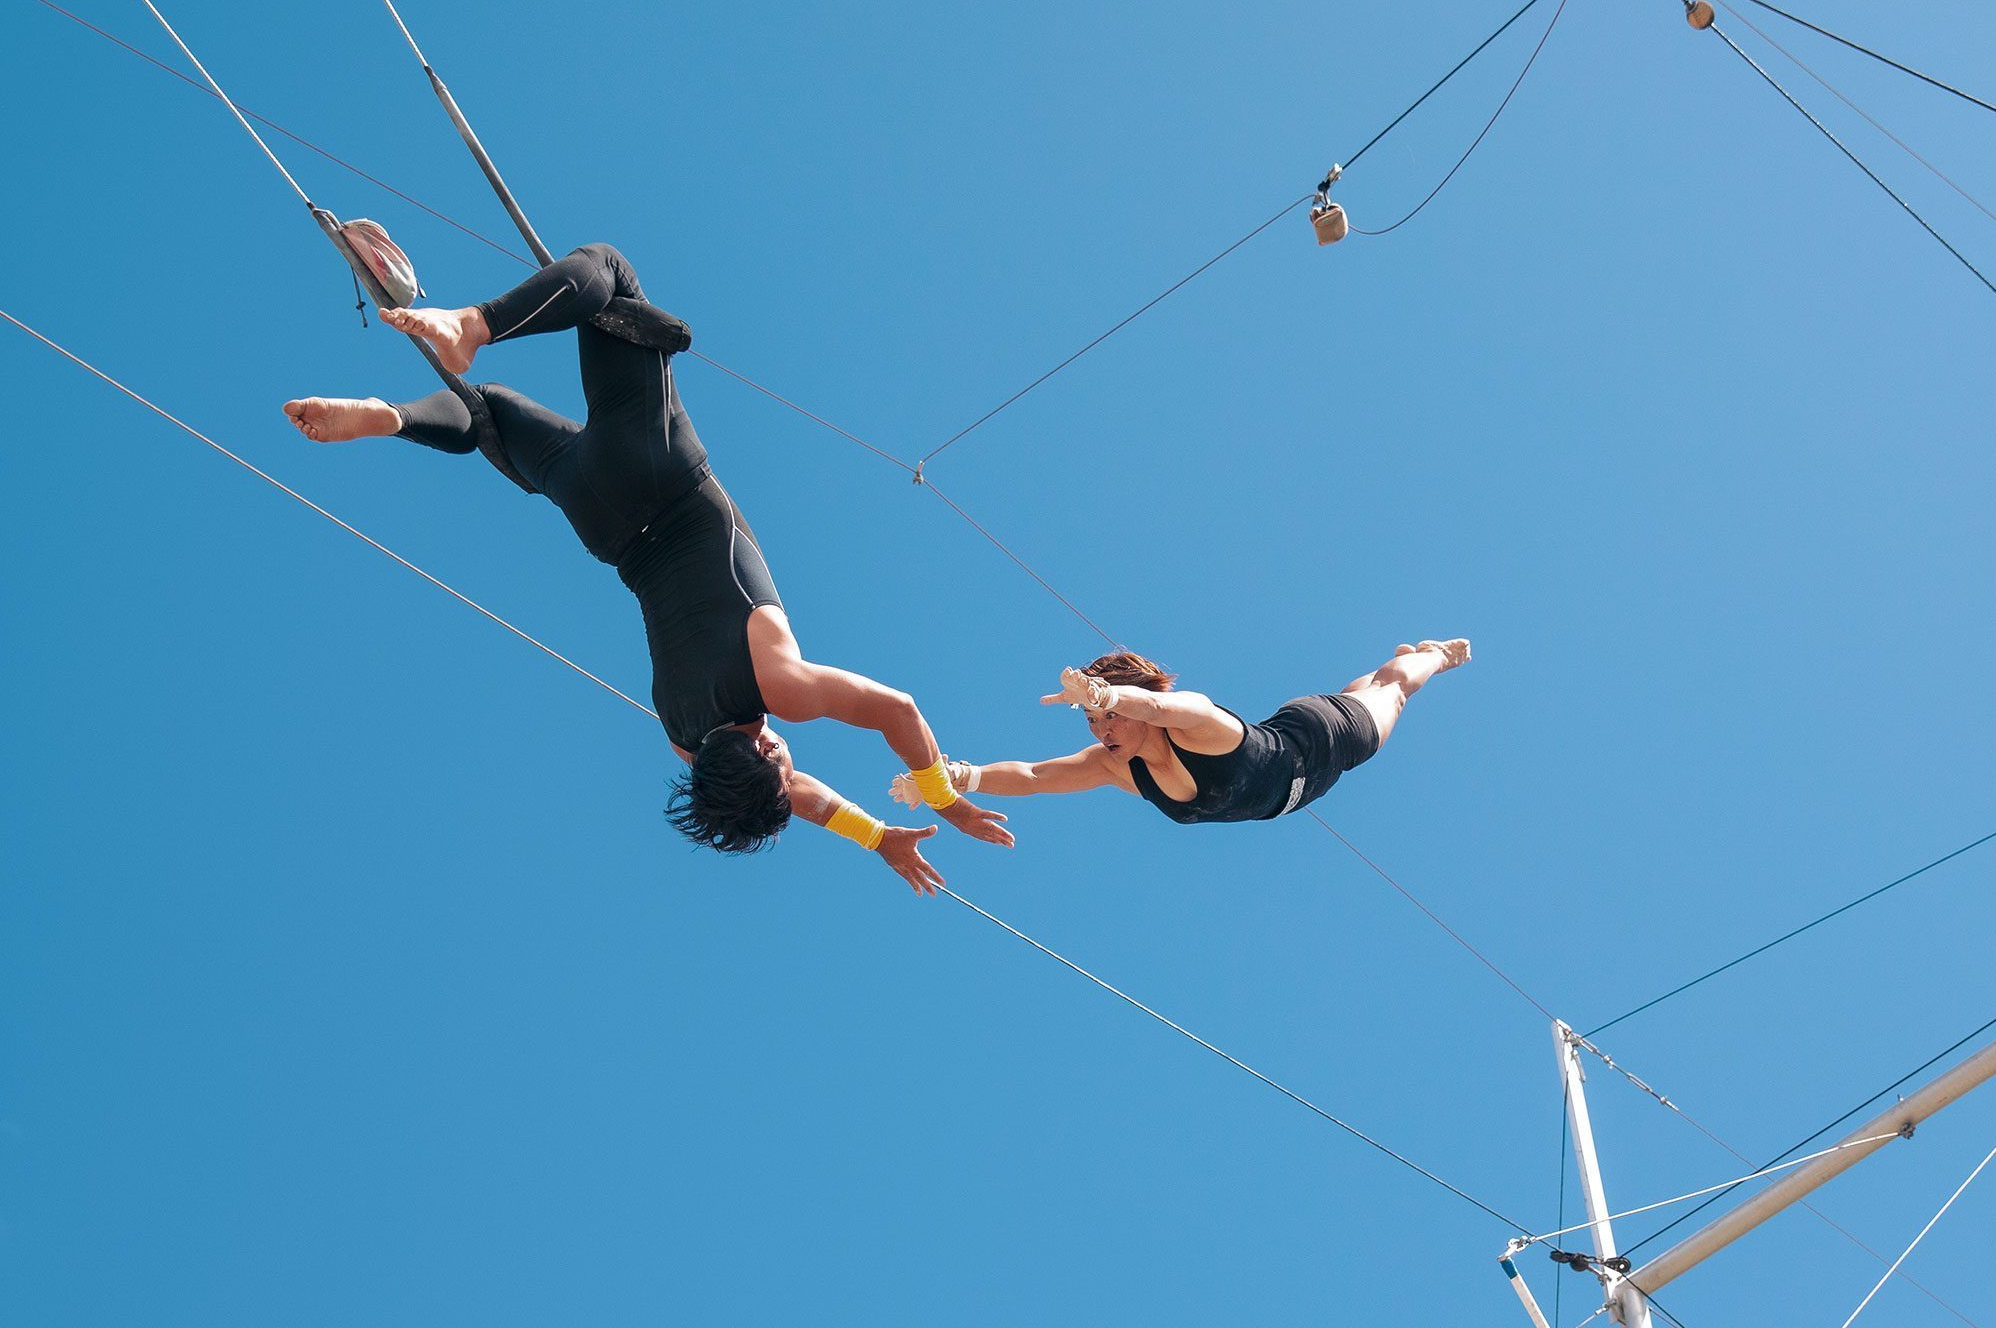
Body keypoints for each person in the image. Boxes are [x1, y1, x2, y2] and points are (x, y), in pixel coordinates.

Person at [282, 243, 1009, 891]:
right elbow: (796, 796)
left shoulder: (780, 687)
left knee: (610, 274)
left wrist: (942, 793)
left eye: (783, 763)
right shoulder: (683, 734)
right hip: (604, 522)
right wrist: (876, 837)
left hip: (661, 478)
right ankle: (390, 415)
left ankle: (471, 326)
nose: (793, 763)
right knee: (492, 414)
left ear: (763, 748)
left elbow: (898, 710)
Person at [890, 641, 1470, 824]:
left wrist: (1105, 693)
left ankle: (1432, 655)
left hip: (1320, 742)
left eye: (1109, 716)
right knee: (1359, 692)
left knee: (1393, 690)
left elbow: (1172, 707)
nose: (1101, 728)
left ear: (1140, 707)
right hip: (1301, 788)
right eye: (1092, 719)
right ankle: (1376, 675)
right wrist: (953, 777)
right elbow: (1035, 777)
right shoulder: (1114, 766)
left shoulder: (1198, 726)